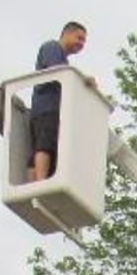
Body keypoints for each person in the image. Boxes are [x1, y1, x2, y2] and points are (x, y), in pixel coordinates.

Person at [28, 20, 88, 182]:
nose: (82, 44)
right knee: (45, 146)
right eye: (79, 38)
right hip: (48, 107)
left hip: (45, 109)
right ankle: (40, 182)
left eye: (84, 41)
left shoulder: (63, 59)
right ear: (67, 33)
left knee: (42, 148)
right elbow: (57, 70)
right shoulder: (52, 48)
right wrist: (84, 81)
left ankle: (36, 186)